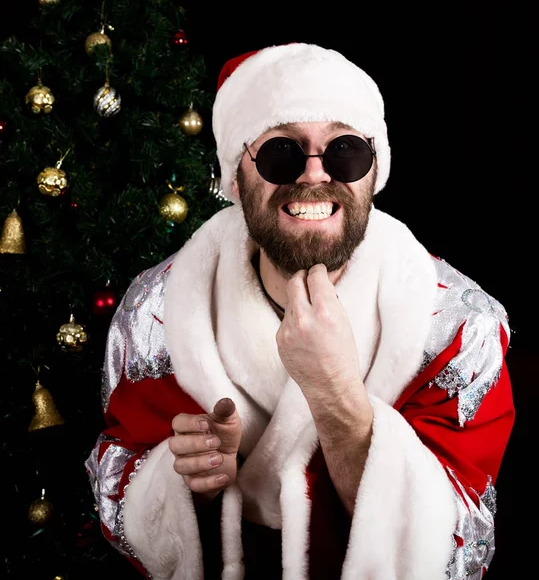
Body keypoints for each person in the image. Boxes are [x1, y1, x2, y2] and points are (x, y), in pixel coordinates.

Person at [85, 42, 515, 580]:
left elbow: (455, 548)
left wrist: (335, 393)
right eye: (281, 152)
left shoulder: (456, 327)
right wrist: (180, 479)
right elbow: (115, 478)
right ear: (236, 177)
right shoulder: (160, 314)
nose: (314, 174)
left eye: (346, 150)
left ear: (373, 173)